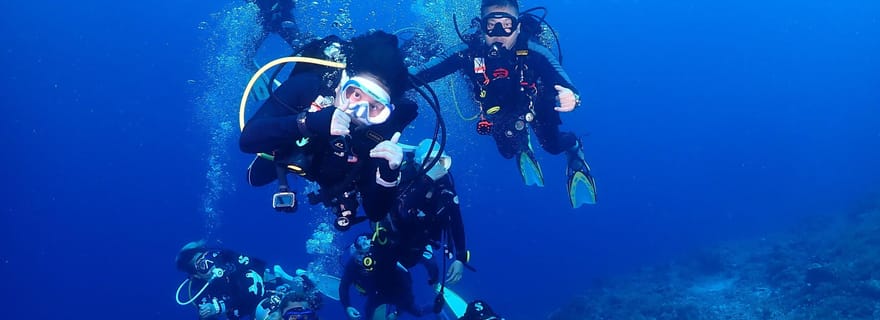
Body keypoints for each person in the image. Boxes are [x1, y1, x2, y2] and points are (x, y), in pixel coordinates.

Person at [410, 0, 598, 208]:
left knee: (552, 146)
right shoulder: (469, 52)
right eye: (492, 24)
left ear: (517, 27)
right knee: (507, 152)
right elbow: (422, 74)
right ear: (482, 27)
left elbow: (567, 85)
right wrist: (389, 83)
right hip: (495, 110)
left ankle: (574, 149)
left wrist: (572, 97)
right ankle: (521, 140)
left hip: (534, 105)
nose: (499, 32)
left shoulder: (534, 51)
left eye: (506, 24)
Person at [239, 30, 418, 231]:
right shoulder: (309, 86)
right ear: (343, 83)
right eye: (356, 94)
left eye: (374, 107)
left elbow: (376, 213)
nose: (358, 113)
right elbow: (247, 140)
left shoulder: (379, 132)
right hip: (297, 146)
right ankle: (280, 21)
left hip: (339, 178)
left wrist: (389, 175)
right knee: (255, 178)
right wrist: (308, 122)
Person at [378, 138, 471, 285]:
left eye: (441, 162)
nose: (436, 167)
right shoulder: (406, 177)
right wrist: (427, 180)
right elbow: (402, 210)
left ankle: (426, 256)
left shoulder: (445, 187)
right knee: (388, 276)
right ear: (418, 162)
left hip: (420, 241)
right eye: (430, 161)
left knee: (419, 266)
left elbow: (456, 221)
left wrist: (460, 258)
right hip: (392, 237)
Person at [174, 241, 308, 320]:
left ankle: (295, 282)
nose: (212, 264)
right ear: (196, 275)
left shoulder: (230, 260)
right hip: (249, 310)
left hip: (264, 292)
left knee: (283, 308)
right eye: (203, 265)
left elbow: (251, 291)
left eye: (209, 257)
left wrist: (218, 307)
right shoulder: (200, 294)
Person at [338, 234, 441, 319]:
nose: (365, 243)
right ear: (358, 251)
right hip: (376, 295)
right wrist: (347, 306)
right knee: (367, 314)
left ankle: (437, 308)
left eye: (367, 240)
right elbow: (344, 285)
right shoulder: (354, 263)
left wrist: (397, 313)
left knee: (418, 311)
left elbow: (406, 278)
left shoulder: (387, 251)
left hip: (397, 292)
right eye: (361, 244)